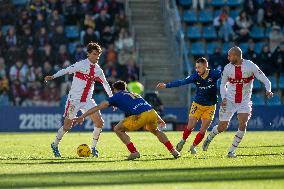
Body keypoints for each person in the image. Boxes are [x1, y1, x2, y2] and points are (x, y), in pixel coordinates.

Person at [73, 80, 180, 160]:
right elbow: (147, 106)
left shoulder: (116, 96)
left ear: (115, 90)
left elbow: (97, 107)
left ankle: (134, 152)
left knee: (118, 128)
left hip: (140, 116)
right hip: (151, 113)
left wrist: (82, 116)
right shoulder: (135, 94)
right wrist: (160, 119)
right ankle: (174, 151)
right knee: (156, 131)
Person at [44, 42, 113, 158]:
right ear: (89, 54)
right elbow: (66, 70)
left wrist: (112, 99)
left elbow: (106, 84)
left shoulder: (98, 70)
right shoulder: (81, 65)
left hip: (87, 100)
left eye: (98, 55)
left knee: (99, 122)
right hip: (74, 100)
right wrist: (53, 76)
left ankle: (93, 148)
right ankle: (54, 145)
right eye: (95, 54)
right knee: (67, 126)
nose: (97, 57)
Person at [202, 46, 273, 158]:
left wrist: (268, 90)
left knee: (243, 121)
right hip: (229, 100)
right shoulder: (227, 68)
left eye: (229, 55)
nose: (228, 57)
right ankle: (210, 137)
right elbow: (222, 84)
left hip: (244, 101)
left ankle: (231, 151)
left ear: (236, 56)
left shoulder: (250, 66)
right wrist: (224, 97)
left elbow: (265, 79)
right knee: (222, 127)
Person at [156, 57, 221, 154]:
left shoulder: (215, 73)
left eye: (199, 67)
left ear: (205, 66)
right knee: (191, 125)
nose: (197, 70)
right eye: (196, 67)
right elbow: (181, 82)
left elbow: (228, 75)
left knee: (203, 129)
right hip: (197, 104)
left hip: (211, 106)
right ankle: (183, 141)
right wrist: (167, 85)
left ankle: (193, 147)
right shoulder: (195, 76)